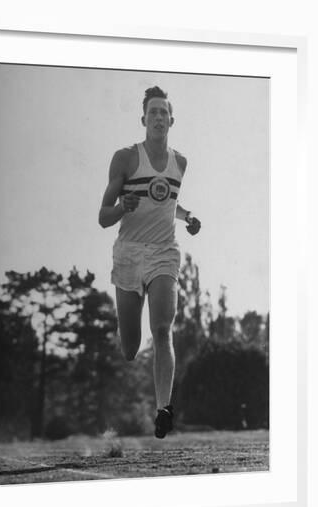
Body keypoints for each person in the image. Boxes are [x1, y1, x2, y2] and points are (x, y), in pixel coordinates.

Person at [98, 86, 201, 438]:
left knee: (162, 329)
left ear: (172, 119)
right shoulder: (125, 158)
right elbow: (102, 216)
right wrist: (121, 207)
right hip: (128, 253)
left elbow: (169, 202)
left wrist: (187, 217)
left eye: (164, 112)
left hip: (163, 253)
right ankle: (127, 334)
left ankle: (163, 409)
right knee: (130, 348)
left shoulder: (180, 162)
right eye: (152, 112)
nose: (158, 117)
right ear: (143, 119)